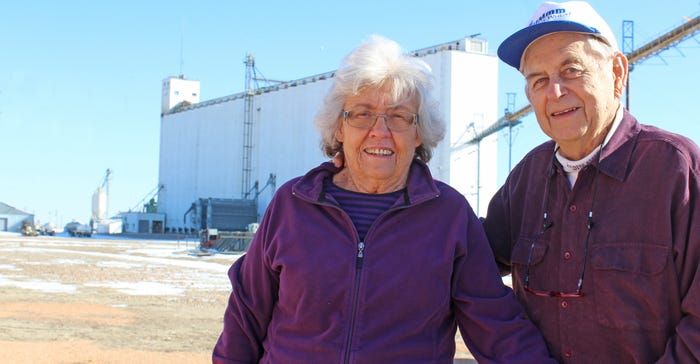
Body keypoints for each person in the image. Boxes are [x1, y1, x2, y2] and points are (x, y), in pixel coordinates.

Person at [213, 35, 555, 363]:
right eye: (361, 114)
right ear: (339, 128)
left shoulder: (448, 215)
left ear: (418, 132)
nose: (380, 131)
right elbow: (246, 315)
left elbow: (495, 325)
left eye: (399, 116)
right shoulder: (292, 204)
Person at [483, 1, 700, 362]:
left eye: (571, 70)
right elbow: (467, 262)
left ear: (617, 73)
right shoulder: (526, 180)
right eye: (539, 80)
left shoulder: (676, 170)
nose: (554, 92)